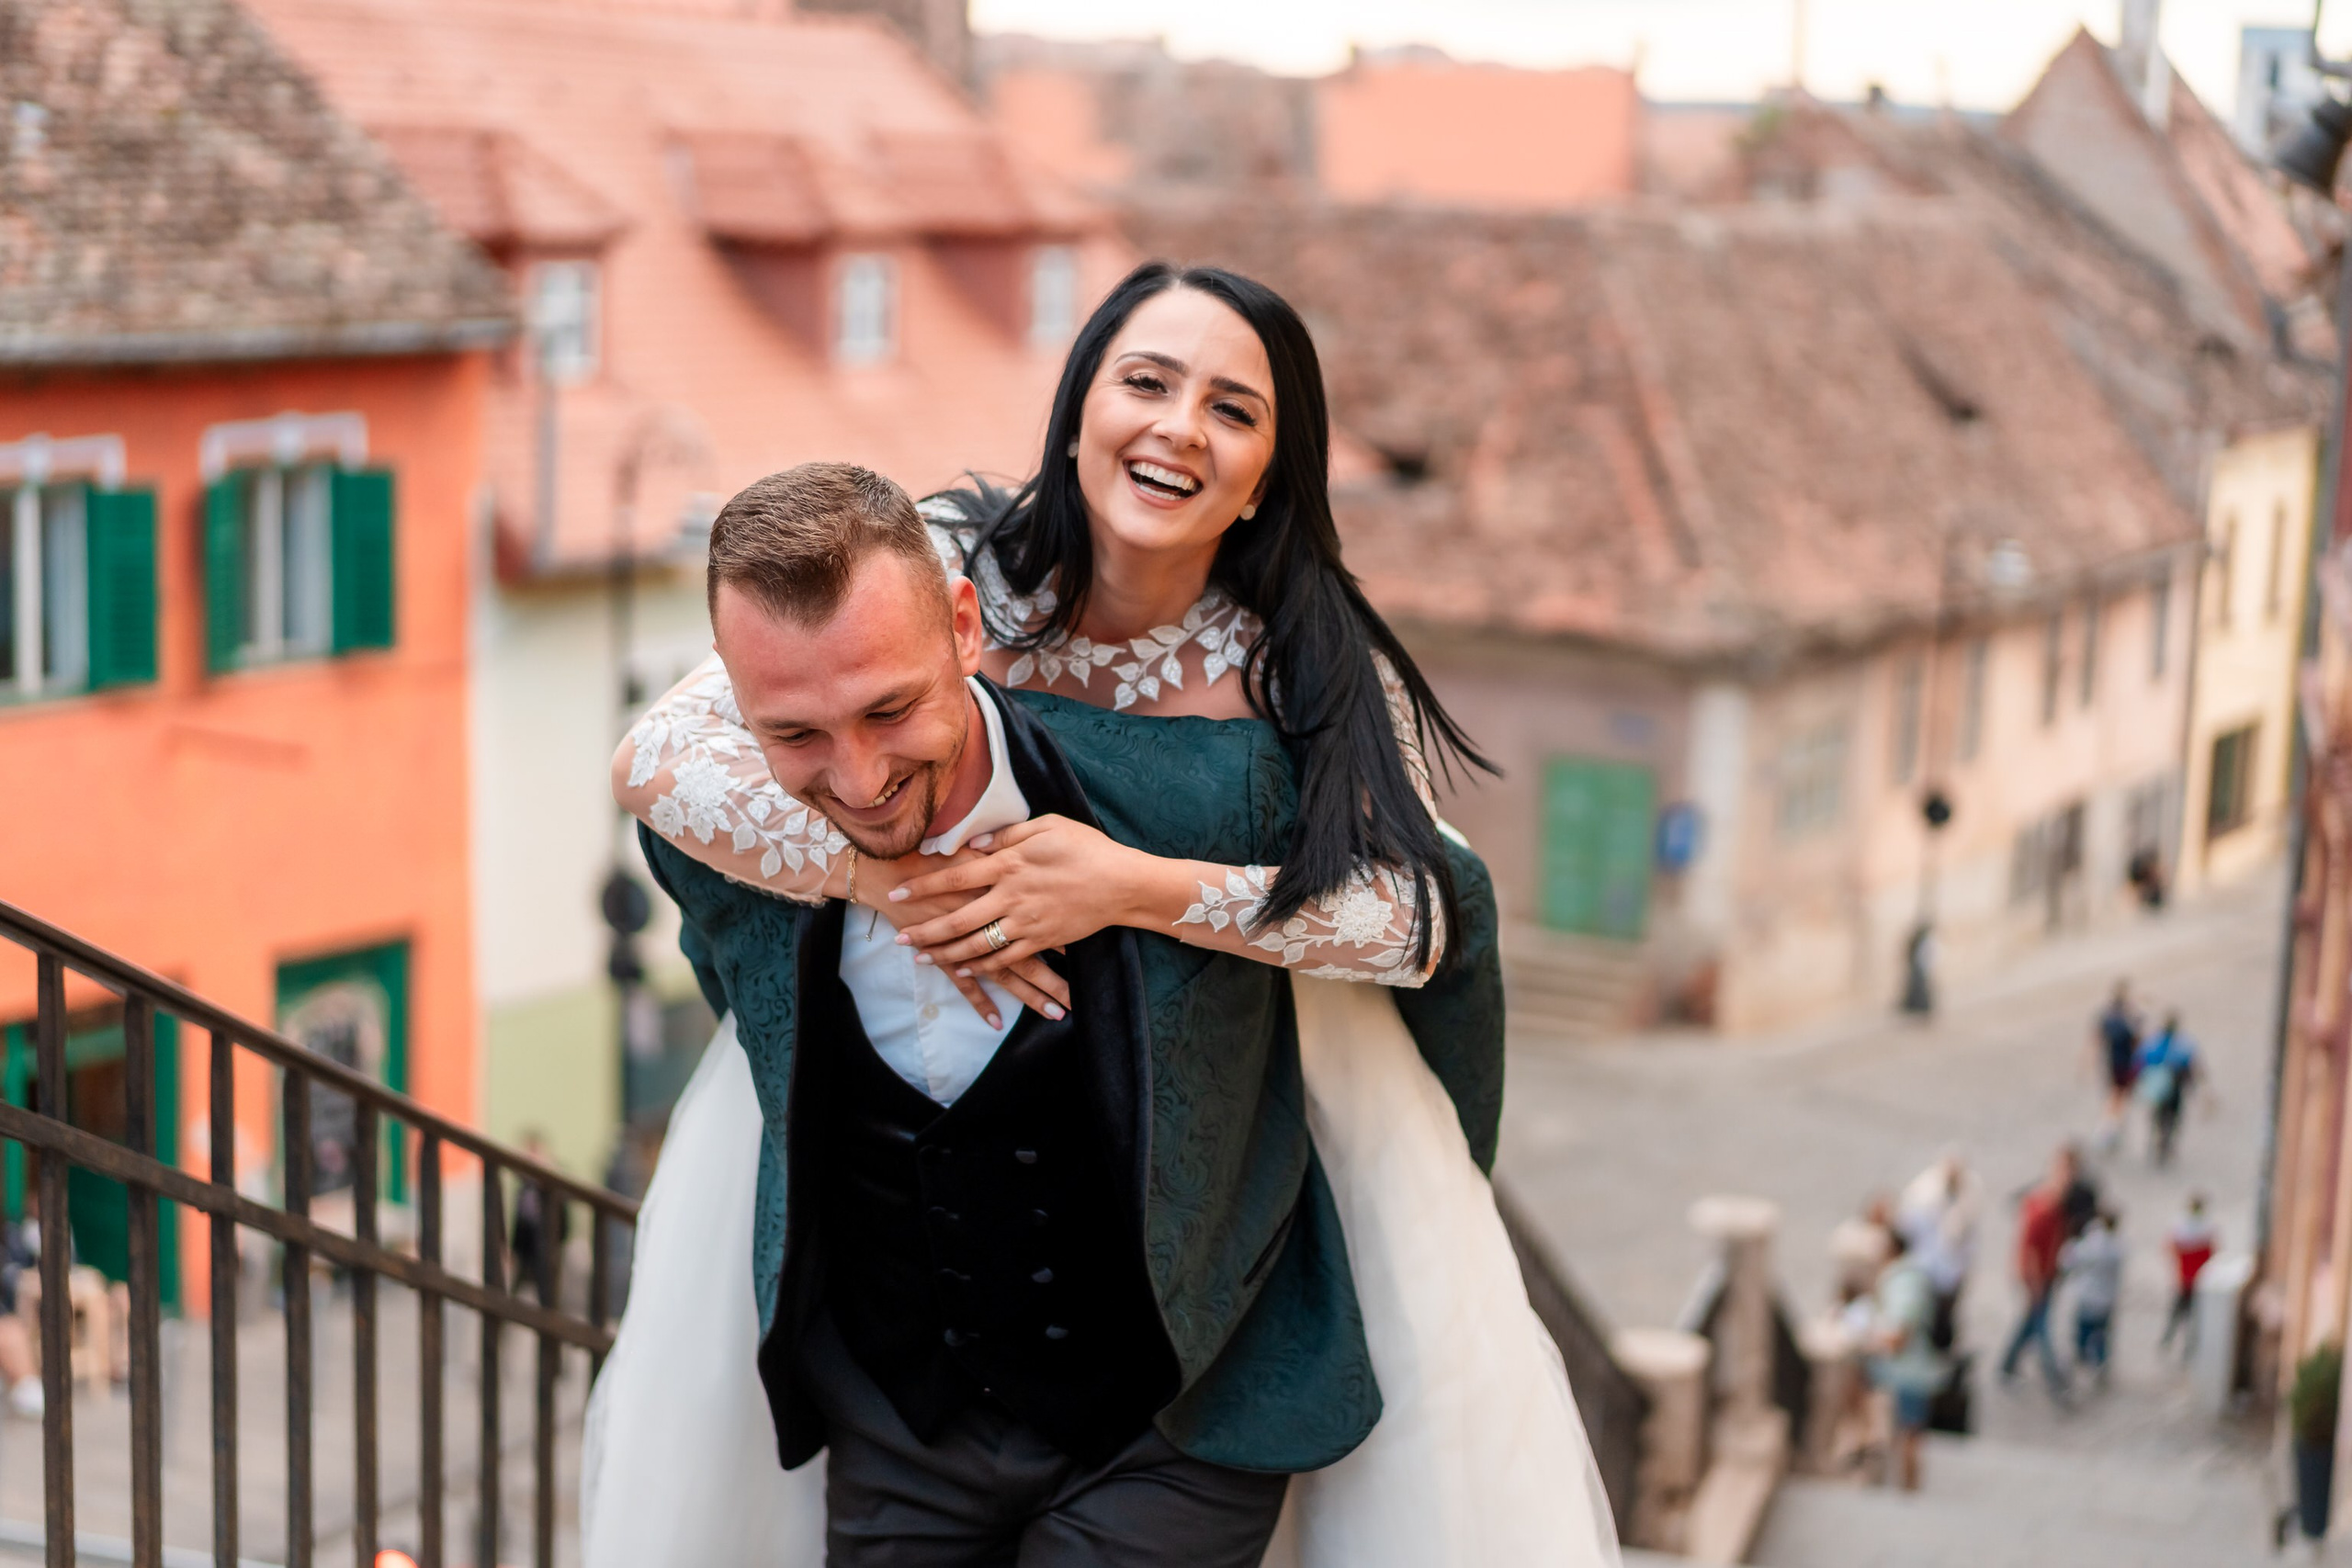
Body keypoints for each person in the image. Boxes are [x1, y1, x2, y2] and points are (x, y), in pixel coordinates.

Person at [588, 265, 1618, 1568]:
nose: (1180, 425)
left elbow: (1421, 911)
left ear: (1265, 475)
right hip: (915, 1320)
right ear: (1076, 412)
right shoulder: (947, 567)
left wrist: (1129, 883)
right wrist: (882, 879)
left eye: (1232, 408)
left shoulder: (1297, 667)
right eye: (1145, 381)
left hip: (1175, 1259)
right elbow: (660, 757)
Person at [1863, 1228, 1948, 1492]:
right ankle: (1906, 1486)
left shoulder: (1904, 1281)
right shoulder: (1911, 1276)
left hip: (1908, 1372)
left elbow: (1900, 1333)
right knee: (1908, 1433)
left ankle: (1908, 1488)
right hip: (1911, 1370)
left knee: (1909, 1433)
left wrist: (1871, 1340)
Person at [1999, 1146, 2075, 1402]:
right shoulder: (2043, 1213)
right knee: (2042, 1330)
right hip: (2037, 1279)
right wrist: (2035, 1284)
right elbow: (2029, 1251)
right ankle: (2054, 1381)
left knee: (2029, 1323)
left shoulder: (2050, 1209)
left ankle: (2007, 1365)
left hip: (2046, 1275)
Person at [1897, 1151, 1982, 1352]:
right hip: (1927, 1270)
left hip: (1951, 1274)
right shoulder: (1924, 1195)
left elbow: (1969, 1239)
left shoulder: (1967, 1196)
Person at [2059, 1209, 2124, 1385]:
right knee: (2102, 1334)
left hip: (2087, 1297)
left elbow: (2068, 1260)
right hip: (2107, 1299)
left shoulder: (2089, 1244)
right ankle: (2100, 1363)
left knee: (2083, 1332)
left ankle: (2082, 1358)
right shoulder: (2119, 1247)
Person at [509, 1131, 571, 1303]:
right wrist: (513, 1249)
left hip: (547, 1248)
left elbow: (564, 1221)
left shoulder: (553, 1188)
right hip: (526, 1250)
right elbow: (519, 1222)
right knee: (514, 1296)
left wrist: (559, 1246)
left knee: (548, 1298)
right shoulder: (524, 1187)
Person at [2135, 1013, 2201, 1167]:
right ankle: (2166, 1142)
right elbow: (2191, 1066)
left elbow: (2141, 1061)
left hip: (2158, 1087)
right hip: (2175, 1086)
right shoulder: (2183, 1044)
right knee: (2173, 1117)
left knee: (2158, 1115)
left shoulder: (2154, 1042)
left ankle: (2157, 1140)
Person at [2161, 1193, 2217, 1358]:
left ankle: (2173, 1341)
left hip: (2187, 1278)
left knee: (2180, 1313)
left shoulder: (2184, 1227)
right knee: (2187, 1314)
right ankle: (2181, 1344)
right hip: (2194, 1279)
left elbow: (2170, 1247)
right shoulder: (2205, 1228)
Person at [2091, 981, 2141, 1153]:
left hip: (2113, 1062)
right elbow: (2137, 1041)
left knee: (2113, 1096)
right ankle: (2111, 1130)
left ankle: (2107, 1127)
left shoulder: (2107, 1016)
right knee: (2121, 1098)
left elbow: (2098, 1039)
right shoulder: (2129, 1018)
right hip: (2126, 1064)